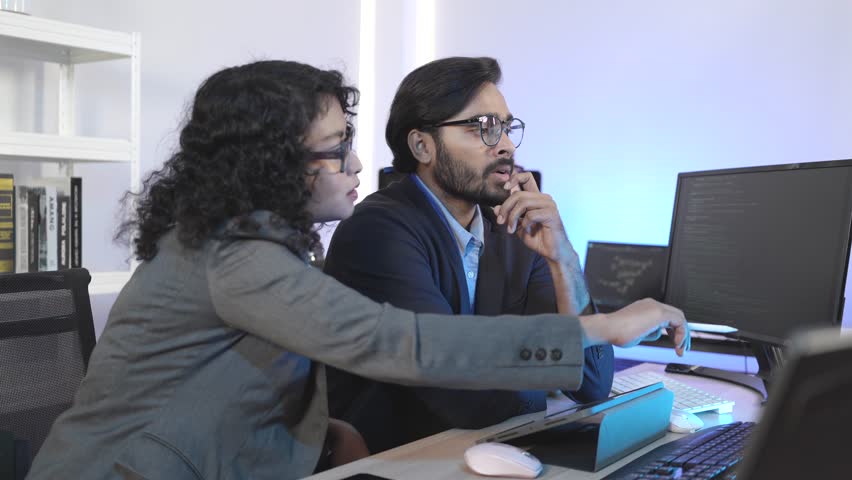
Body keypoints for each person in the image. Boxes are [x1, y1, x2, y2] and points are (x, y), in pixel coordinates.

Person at [27, 60, 689, 480]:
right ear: (273, 164)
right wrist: (605, 326)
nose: (353, 164)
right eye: (336, 149)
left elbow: (248, 377)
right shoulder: (237, 256)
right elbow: (400, 344)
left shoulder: (261, 245)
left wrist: (321, 432)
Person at [322, 56, 662, 453]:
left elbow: (591, 382)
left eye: (505, 127)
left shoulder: (514, 230)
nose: (504, 145)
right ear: (422, 145)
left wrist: (562, 256)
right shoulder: (378, 231)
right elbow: (459, 397)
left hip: (487, 453)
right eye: (482, 127)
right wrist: (544, 375)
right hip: (403, 463)